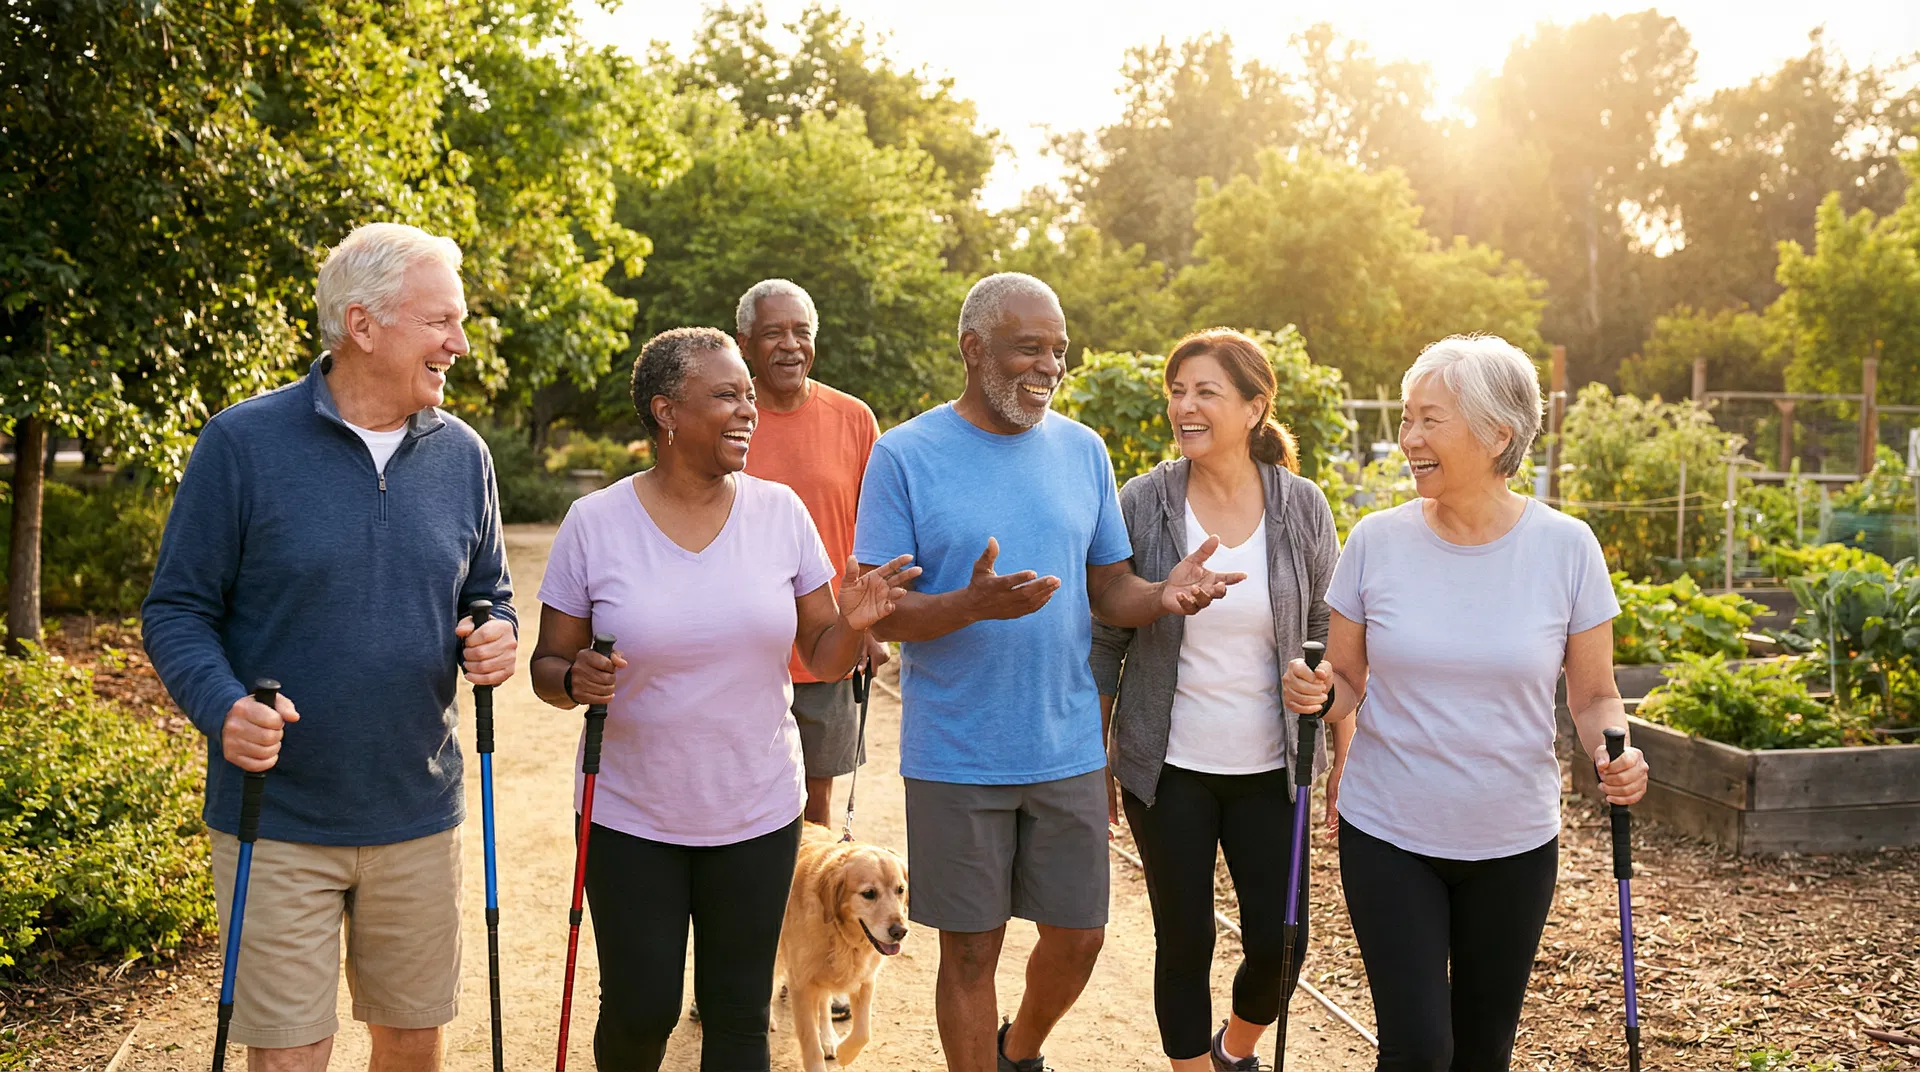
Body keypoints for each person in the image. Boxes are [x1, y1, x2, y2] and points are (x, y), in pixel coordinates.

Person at [142, 223, 518, 1072]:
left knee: (414, 1048)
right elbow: (176, 608)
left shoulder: (464, 456)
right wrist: (221, 706)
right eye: (441, 323)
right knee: (288, 1057)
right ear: (363, 325)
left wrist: (496, 634)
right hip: (276, 817)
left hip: (418, 811)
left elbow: (487, 592)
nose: (458, 345)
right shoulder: (242, 444)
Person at [853, 273, 1245, 1072]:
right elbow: (880, 612)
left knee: (1080, 935)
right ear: (973, 349)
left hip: (1065, 744)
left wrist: (1164, 594)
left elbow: (1110, 589)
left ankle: (1018, 1050)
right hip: (957, 751)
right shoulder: (903, 455)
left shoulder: (1082, 450)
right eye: (1030, 347)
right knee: (970, 953)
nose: (1049, 366)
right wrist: (969, 606)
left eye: (1059, 350)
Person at [530, 326, 916, 1071]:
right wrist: (574, 679)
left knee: (739, 1010)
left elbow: (822, 654)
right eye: (727, 396)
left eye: (749, 396)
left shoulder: (780, 514)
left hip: (757, 810)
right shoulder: (596, 523)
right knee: (641, 1010)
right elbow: (548, 666)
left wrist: (854, 622)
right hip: (630, 812)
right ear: (667, 411)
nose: (749, 410)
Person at [1280, 334, 1650, 1072]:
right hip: (1389, 831)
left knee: (1484, 1053)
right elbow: (1346, 679)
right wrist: (1318, 694)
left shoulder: (1567, 548)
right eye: (1406, 418)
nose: (1407, 439)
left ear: (1496, 434)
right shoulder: (1376, 542)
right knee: (1417, 1052)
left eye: (1429, 420)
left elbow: (1595, 695)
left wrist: (1620, 750)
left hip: (1513, 841)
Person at [1092, 329, 1340, 1072]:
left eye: (1205, 392)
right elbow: (1107, 633)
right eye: (1177, 391)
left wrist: (1332, 720)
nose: (1184, 406)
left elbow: (1331, 629)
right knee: (1186, 936)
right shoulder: (1144, 502)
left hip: (1274, 763)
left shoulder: (1301, 507)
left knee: (1281, 940)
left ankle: (1234, 1049)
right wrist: (1096, 754)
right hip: (1167, 765)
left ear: (1254, 407)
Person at [735, 278, 886, 830]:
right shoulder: (727, 417)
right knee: (742, 806)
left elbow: (876, 528)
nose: (790, 345)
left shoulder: (854, 418)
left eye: (801, 332)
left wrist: (868, 626)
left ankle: (805, 918)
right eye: (774, 333)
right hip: (744, 649)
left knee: (815, 813)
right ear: (745, 341)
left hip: (829, 645)